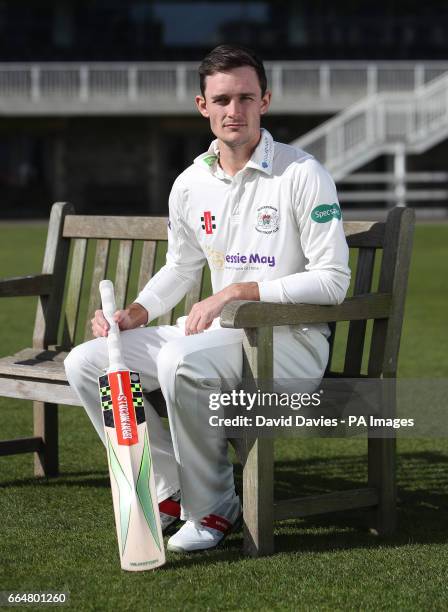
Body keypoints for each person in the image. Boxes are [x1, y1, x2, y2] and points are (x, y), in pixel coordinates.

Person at [64, 44, 350, 553]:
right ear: (203, 106)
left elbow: (332, 282)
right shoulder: (191, 183)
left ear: (265, 100)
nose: (233, 111)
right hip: (218, 340)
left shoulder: (303, 173)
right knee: (87, 363)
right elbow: (180, 268)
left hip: (289, 343)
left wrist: (240, 290)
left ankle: (215, 508)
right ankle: (169, 488)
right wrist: (135, 313)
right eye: (221, 100)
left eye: (245, 97)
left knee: (179, 359)